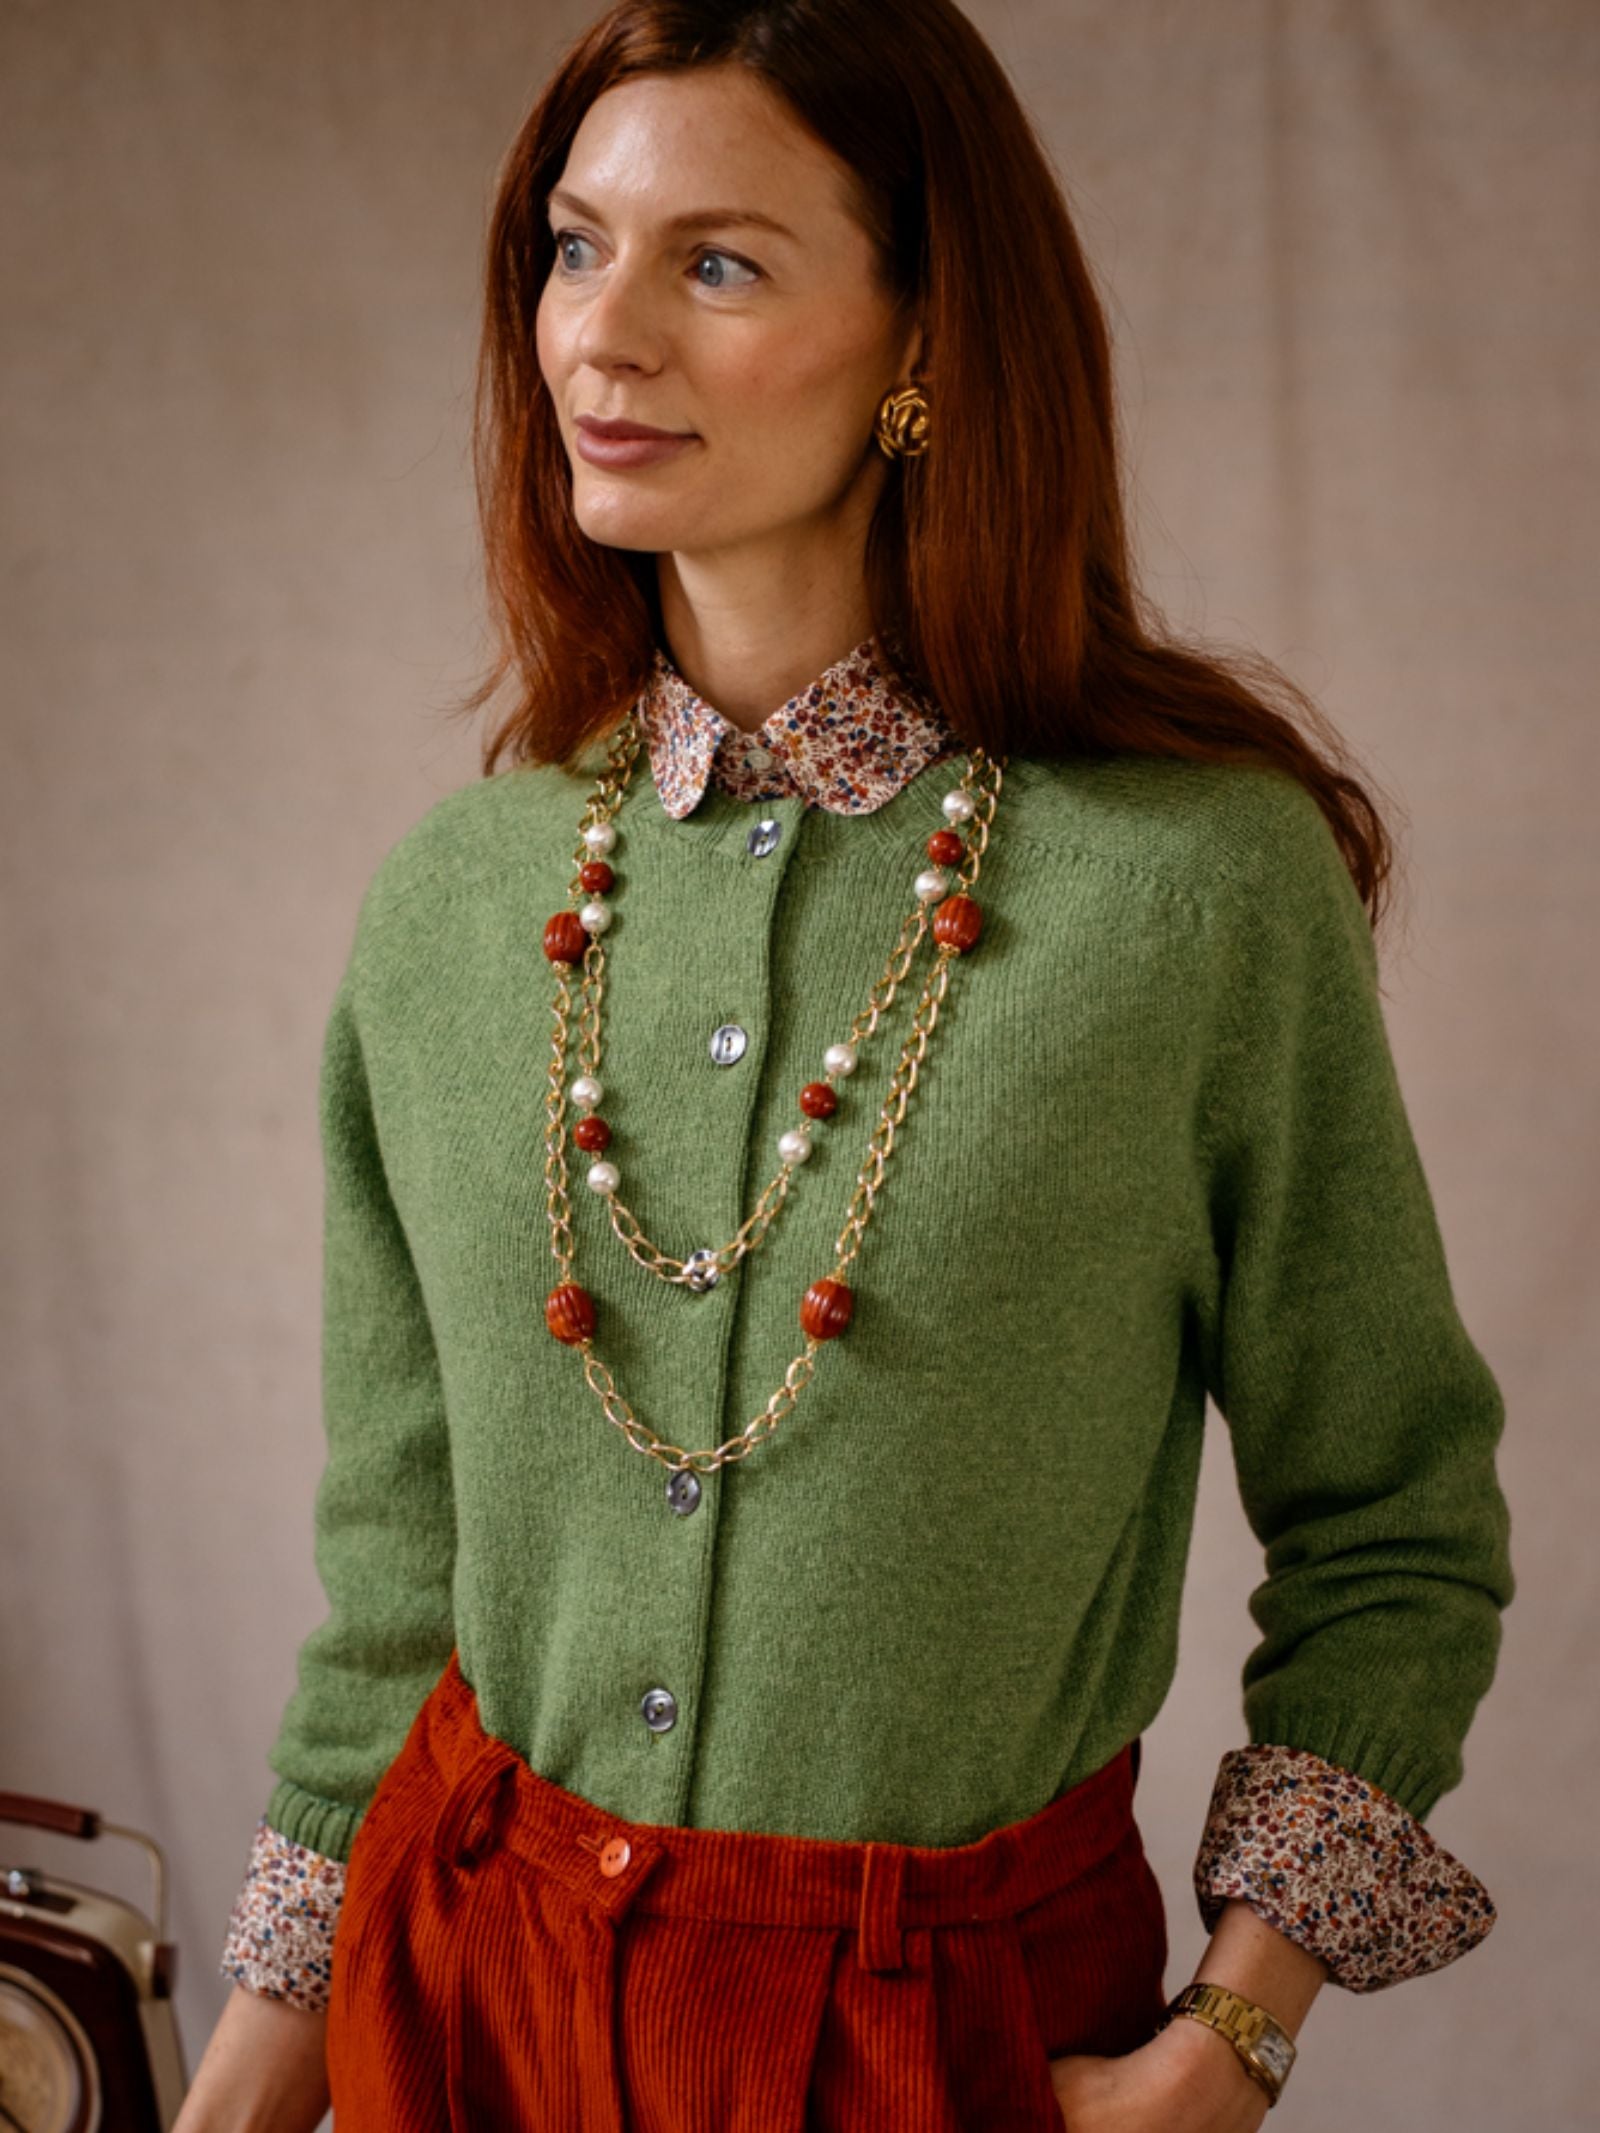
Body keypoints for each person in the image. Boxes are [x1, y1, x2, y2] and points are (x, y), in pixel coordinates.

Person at [174, 2, 1514, 2128]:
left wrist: (1229, 2037)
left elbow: (1393, 1516)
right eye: (568, 245)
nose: (600, 336)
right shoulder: (450, 907)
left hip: (944, 2038)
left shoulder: (1188, 893)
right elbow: (394, 1593)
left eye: (717, 262)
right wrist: (247, 2072)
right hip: (469, 2014)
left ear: (921, 338)